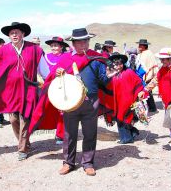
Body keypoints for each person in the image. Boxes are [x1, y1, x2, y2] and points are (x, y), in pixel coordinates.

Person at [28, 28, 115, 176]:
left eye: (86, 41)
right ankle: (68, 163)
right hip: (70, 102)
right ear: (73, 43)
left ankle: (87, 163)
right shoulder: (66, 59)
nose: (84, 44)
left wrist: (110, 75)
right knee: (69, 134)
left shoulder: (97, 58)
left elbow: (103, 80)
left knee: (90, 133)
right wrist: (58, 74)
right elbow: (55, 80)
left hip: (91, 101)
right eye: (80, 41)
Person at [0, 22, 49, 161]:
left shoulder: (35, 49)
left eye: (17, 32)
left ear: (23, 34)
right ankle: (24, 142)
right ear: (9, 36)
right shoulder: (3, 50)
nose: (14, 35)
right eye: (12, 33)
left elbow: (44, 69)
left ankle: (22, 148)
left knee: (26, 118)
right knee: (13, 119)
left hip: (29, 90)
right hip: (12, 91)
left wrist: (49, 82)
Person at [138, 48, 171, 173]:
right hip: (168, 100)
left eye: (164, 59)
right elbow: (155, 81)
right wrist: (145, 90)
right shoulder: (163, 69)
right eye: (161, 59)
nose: (162, 61)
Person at [106, 52, 147, 144]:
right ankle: (132, 133)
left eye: (120, 64)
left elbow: (138, 83)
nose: (118, 66)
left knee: (124, 116)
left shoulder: (129, 72)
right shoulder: (112, 74)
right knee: (119, 117)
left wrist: (140, 93)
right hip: (117, 100)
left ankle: (127, 138)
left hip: (127, 100)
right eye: (116, 64)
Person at [44, 36, 69, 144]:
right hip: (48, 87)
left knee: (62, 111)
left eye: (56, 45)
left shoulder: (66, 57)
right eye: (52, 46)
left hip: (62, 86)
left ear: (61, 47)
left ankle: (60, 135)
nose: (53, 48)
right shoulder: (45, 57)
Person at [136, 39, 158, 112]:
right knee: (145, 91)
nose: (139, 46)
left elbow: (151, 65)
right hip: (142, 75)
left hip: (147, 75)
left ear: (144, 46)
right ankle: (149, 107)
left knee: (148, 91)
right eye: (139, 44)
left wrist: (149, 75)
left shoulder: (148, 53)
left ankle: (152, 107)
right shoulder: (141, 53)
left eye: (140, 45)